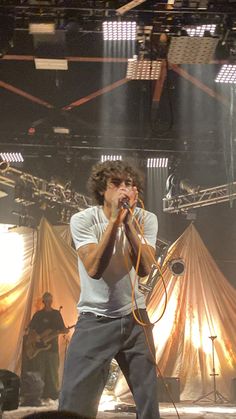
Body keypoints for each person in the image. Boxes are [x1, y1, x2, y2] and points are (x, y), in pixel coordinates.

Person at [59, 160, 160, 419]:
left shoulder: (146, 219)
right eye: (116, 183)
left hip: (135, 319)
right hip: (95, 320)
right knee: (74, 403)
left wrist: (128, 224)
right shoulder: (83, 220)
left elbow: (146, 268)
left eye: (129, 183)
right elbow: (94, 268)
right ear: (102, 190)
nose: (124, 189)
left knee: (148, 403)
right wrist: (115, 221)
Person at [23, 292, 69, 403]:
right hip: (39, 349)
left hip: (52, 349)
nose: (48, 302)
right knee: (39, 372)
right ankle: (38, 395)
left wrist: (64, 331)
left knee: (53, 372)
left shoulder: (56, 314)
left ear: (52, 301)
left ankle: (53, 396)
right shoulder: (38, 315)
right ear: (43, 301)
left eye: (50, 300)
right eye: (46, 300)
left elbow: (62, 329)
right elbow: (30, 329)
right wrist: (37, 338)